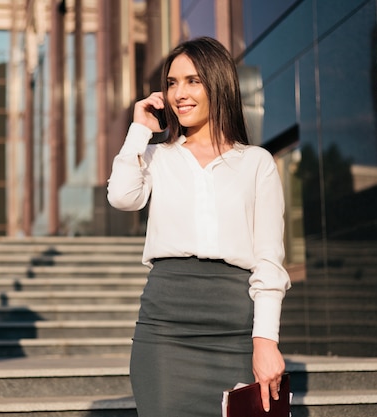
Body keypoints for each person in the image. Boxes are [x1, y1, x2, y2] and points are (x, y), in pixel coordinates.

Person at [107, 36, 291, 417]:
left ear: (218, 83)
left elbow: (269, 259)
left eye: (192, 81)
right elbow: (122, 197)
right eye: (172, 83)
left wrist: (266, 339)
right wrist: (139, 131)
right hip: (165, 327)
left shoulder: (256, 163)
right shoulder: (157, 156)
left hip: (235, 324)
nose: (179, 93)